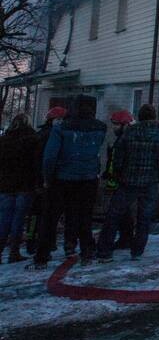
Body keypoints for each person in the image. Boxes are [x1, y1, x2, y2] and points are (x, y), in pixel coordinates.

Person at [32, 95, 107, 268]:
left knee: (50, 217)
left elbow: (50, 157)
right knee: (83, 216)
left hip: (62, 179)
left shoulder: (60, 129)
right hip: (88, 179)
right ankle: (87, 251)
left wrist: (47, 178)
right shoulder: (100, 128)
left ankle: (42, 256)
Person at [96, 104, 159, 262]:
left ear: (140, 116)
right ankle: (137, 251)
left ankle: (104, 252)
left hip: (127, 181)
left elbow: (118, 158)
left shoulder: (129, 133)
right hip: (150, 182)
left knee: (113, 216)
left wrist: (117, 175)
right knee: (144, 218)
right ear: (154, 116)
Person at [23, 106, 65, 258]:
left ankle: (31, 241)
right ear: (54, 120)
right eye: (61, 120)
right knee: (48, 214)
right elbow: (47, 159)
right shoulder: (52, 135)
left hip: (36, 180)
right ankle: (45, 242)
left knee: (36, 213)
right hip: (48, 180)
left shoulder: (40, 134)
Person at [0, 114, 40, 263]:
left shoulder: (4, 140)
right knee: (19, 219)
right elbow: (36, 163)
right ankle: (14, 251)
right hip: (25, 185)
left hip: (5, 185)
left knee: (4, 218)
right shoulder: (33, 139)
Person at [102, 110, 135, 250]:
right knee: (124, 214)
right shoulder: (122, 139)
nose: (114, 128)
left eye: (116, 124)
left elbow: (119, 163)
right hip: (118, 182)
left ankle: (115, 242)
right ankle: (125, 238)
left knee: (117, 214)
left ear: (124, 124)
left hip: (122, 183)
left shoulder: (125, 140)